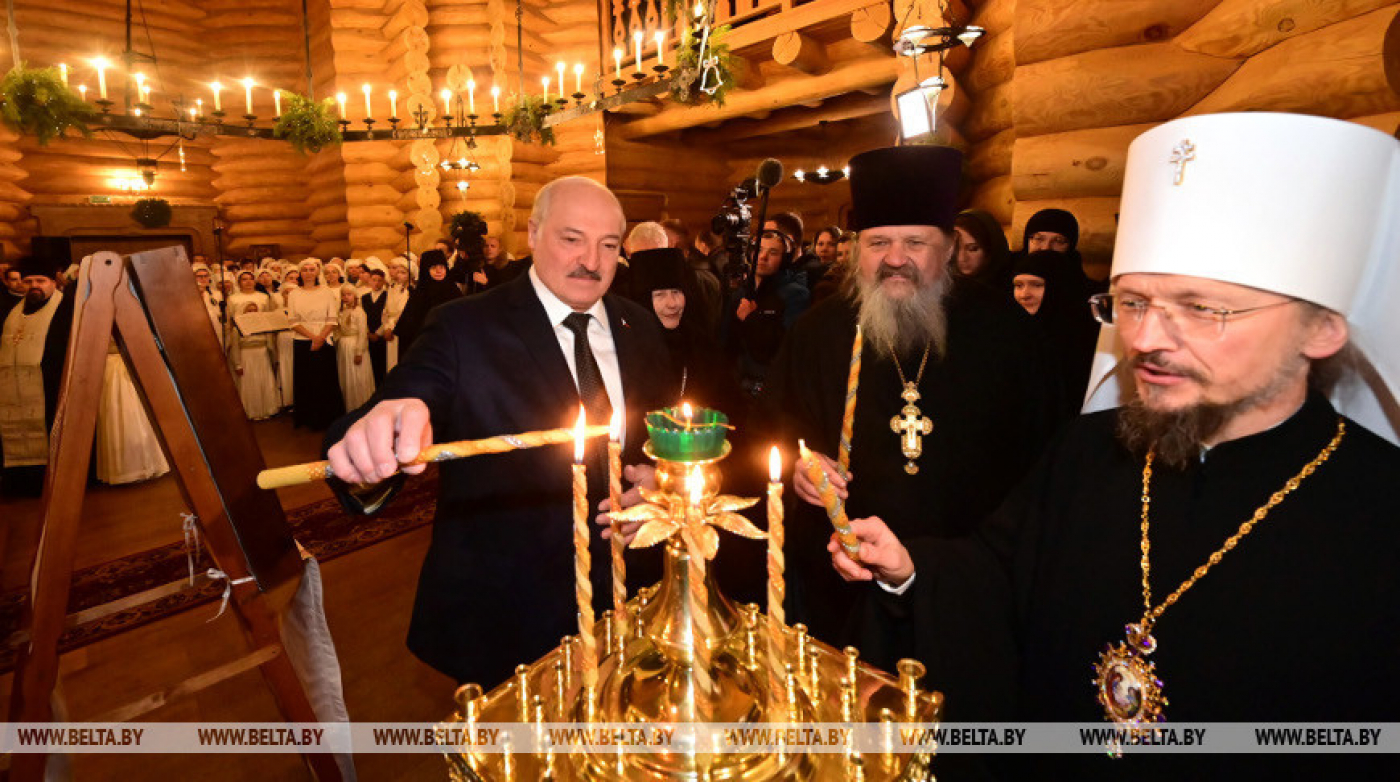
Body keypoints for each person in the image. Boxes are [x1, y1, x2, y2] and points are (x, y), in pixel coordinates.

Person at [833, 113, 1400, 780]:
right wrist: (911, 570)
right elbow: (998, 579)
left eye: (1199, 308)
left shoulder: (1380, 511)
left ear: (1322, 329)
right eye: (1131, 304)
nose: (1147, 339)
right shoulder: (1088, 450)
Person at [323, 176, 677, 688]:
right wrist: (391, 419)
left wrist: (664, 482)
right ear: (533, 233)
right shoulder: (463, 326)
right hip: (515, 610)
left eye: (608, 245)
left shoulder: (639, 325)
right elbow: (408, 395)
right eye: (571, 238)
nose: (592, 262)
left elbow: (661, 436)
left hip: (633, 590)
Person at [760, 146, 1060, 672]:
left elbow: (1044, 458)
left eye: (915, 242)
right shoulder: (820, 331)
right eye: (878, 242)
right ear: (858, 250)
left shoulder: (1005, 331)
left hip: (970, 586)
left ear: (947, 249)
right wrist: (797, 466)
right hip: (846, 581)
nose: (895, 258)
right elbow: (780, 425)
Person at [0, 239, 75, 496]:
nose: (34, 286)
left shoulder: (66, 308)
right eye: (28, 281)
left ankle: (55, 483)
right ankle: (22, 482)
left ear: (53, 283)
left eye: (40, 281)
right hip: (14, 388)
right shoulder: (13, 311)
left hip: (51, 387)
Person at [1010, 250, 1101, 419]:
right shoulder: (1012, 332)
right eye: (1018, 285)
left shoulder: (1080, 339)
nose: (1024, 294)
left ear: (1058, 286)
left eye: (1037, 285)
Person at [723, 229, 810, 402]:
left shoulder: (795, 295)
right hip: (738, 385)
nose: (763, 257)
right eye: (759, 250)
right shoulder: (740, 293)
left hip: (773, 389)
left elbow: (784, 347)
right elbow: (726, 342)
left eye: (773, 253)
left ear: (784, 259)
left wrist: (751, 318)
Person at [285, 258, 344, 429]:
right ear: (300, 273)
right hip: (302, 340)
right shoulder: (295, 293)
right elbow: (293, 320)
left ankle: (328, 417)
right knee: (306, 380)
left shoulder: (326, 292)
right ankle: (307, 417)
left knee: (325, 380)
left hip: (325, 339)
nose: (309, 273)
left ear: (317, 272)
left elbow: (332, 318)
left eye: (312, 270)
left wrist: (320, 337)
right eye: (305, 270)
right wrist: (313, 337)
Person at [394, 249, 461, 354]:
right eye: (434, 268)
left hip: (450, 349)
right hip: (426, 351)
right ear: (426, 270)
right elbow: (407, 332)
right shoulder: (419, 296)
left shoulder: (454, 293)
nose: (439, 271)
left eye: (442, 267)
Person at [229, 301, 283, 420]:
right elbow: (235, 347)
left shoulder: (263, 326)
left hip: (263, 358)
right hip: (247, 358)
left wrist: (274, 358)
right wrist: (238, 364)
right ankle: (253, 411)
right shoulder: (237, 328)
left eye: (255, 310)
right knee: (251, 384)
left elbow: (270, 344)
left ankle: (268, 409)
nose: (252, 313)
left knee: (265, 381)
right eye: (249, 310)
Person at [952, 208, 1012, 292]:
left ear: (990, 248)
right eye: (956, 249)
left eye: (972, 249)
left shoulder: (1017, 287)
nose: (961, 258)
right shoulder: (944, 288)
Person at [335, 286, 375, 410]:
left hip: (355, 345)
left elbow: (362, 333)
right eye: (343, 295)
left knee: (357, 375)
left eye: (349, 294)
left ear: (355, 296)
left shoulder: (359, 312)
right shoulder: (341, 311)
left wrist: (359, 352)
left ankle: (360, 405)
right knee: (346, 376)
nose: (346, 297)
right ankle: (349, 405)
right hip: (344, 346)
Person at [361, 262, 391, 385]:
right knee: (371, 365)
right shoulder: (364, 298)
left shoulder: (387, 296)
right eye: (374, 280)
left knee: (383, 364)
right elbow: (362, 317)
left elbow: (387, 316)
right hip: (368, 335)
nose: (376, 283)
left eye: (379, 280)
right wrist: (368, 333)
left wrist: (378, 333)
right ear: (369, 281)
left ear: (383, 282)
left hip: (382, 335)